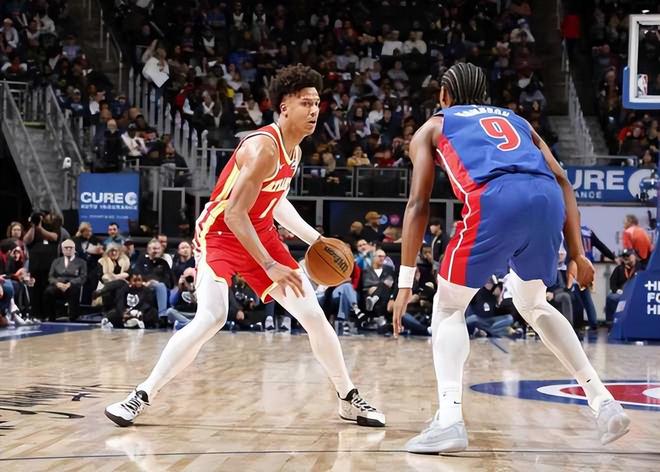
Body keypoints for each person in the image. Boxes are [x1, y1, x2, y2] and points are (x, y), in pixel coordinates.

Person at [105, 64, 385, 428]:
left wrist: (316, 240)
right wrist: (269, 265)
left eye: (317, 103)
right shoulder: (262, 148)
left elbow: (275, 203)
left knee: (314, 316)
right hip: (220, 234)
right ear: (284, 107)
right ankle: (141, 395)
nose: (314, 110)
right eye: (305, 103)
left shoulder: (295, 152)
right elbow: (235, 214)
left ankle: (348, 397)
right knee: (212, 317)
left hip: (261, 232)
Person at [392, 63, 629, 454]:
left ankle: (449, 420)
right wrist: (578, 253)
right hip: (546, 199)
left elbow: (418, 204)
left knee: (448, 308)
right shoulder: (517, 121)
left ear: (444, 96)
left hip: (495, 199)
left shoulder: (432, 126)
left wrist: (405, 282)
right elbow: (563, 179)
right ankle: (603, 402)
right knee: (533, 303)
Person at [43, 240, 87, 321]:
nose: (69, 249)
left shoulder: (82, 262)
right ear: (62, 250)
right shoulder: (56, 261)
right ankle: (51, 317)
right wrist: (57, 283)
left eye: (71, 247)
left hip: (72, 285)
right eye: (66, 247)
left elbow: (83, 277)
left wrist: (70, 283)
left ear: (74, 249)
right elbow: (50, 277)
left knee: (74, 290)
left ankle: (73, 317)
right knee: (48, 291)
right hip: (58, 285)